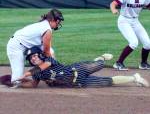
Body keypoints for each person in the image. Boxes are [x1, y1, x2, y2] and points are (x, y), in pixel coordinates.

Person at [1, 46, 148, 88]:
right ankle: (134, 78)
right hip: (79, 83)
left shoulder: (49, 60)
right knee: (108, 81)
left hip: (78, 69)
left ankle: (101, 58)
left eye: (34, 55)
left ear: (39, 55)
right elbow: (33, 85)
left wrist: (25, 74)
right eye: (30, 58)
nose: (33, 58)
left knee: (101, 64)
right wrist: (18, 83)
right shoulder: (37, 74)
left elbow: (42, 67)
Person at [6, 9, 64, 86]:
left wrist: (50, 63)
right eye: (58, 21)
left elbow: (47, 51)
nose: (58, 23)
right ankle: (7, 79)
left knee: (51, 51)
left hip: (26, 44)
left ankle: (50, 75)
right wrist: (54, 64)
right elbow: (46, 52)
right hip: (15, 46)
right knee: (16, 82)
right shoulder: (47, 30)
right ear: (52, 20)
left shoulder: (45, 25)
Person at [110, 0, 150, 71]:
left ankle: (143, 64)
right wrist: (114, 10)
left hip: (135, 21)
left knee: (148, 44)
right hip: (124, 21)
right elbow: (113, 4)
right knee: (134, 42)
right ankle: (118, 63)